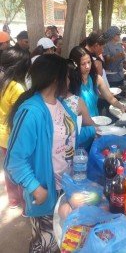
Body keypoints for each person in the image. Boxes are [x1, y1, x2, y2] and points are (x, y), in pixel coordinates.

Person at [5, 54, 77, 252]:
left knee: (62, 239)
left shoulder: (60, 104)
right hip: (45, 192)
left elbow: (67, 136)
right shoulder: (32, 112)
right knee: (45, 244)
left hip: (64, 186)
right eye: (67, 76)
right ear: (55, 79)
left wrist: (95, 133)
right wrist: (35, 187)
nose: (70, 81)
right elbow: (15, 160)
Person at [69, 46, 126, 149]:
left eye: (89, 62)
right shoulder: (70, 83)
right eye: (83, 64)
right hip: (79, 128)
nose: (87, 66)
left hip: (95, 124)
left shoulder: (96, 78)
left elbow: (110, 98)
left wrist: (121, 106)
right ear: (75, 64)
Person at [0, 47, 30, 211]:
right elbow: (21, 117)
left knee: (9, 168)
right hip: (15, 135)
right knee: (21, 169)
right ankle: (26, 205)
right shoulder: (16, 88)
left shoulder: (3, 83)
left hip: (2, 136)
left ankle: (13, 201)